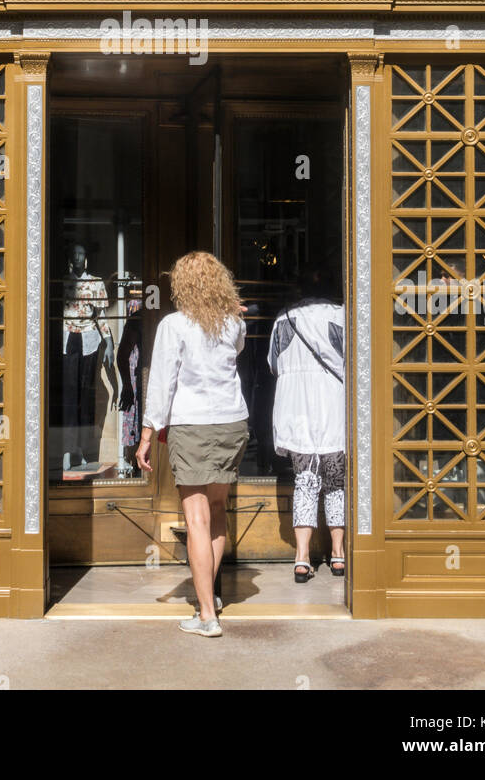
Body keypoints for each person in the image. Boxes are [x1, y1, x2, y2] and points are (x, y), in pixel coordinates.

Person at [136, 252, 249, 638]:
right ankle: (209, 598)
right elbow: (237, 351)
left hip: (193, 424)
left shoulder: (174, 325)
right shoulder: (232, 322)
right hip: (232, 422)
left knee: (196, 519)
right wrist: (234, 314)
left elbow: (163, 380)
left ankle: (206, 616)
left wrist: (147, 434)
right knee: (217, 511)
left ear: (181, 284)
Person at [268, 274, 345, 583]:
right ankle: (337, 554)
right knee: (336, 479)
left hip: (296, 405)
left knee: (305, 478)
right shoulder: (340, 316)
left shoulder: (284, 318)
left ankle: (302, 557)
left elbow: (273, 363)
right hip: (332, 403)